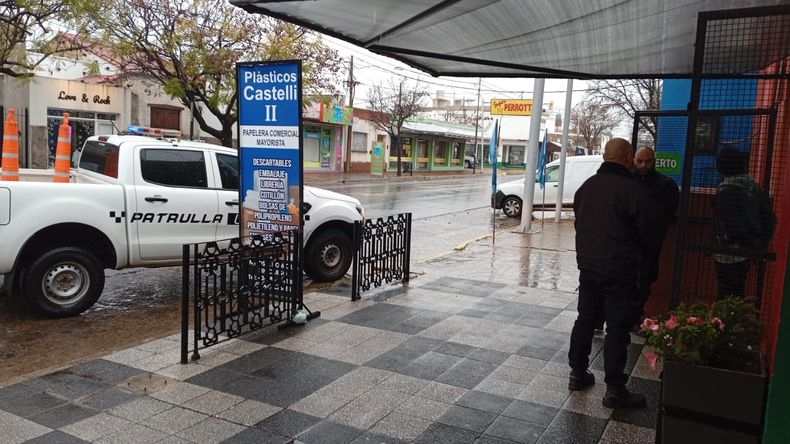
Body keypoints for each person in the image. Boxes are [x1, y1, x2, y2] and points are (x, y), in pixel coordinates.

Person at [568, 138, 660, 408]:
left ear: (605, 157)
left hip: (588, 267)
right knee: (617, 328)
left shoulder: (586, 187)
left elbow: (579, 224)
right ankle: (615, 389)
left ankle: (577, 373)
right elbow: (650, 234)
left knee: (585, 319)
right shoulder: (634, 192)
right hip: (620, 270)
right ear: (628, 157)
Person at [711, 148, 775, 299]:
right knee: (737, 292)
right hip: (747, 252)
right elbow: (770, 219)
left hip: (728, 252)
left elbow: (728, 225)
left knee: (727, 294)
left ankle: (726, 322)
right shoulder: (753, 188)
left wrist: (728, 240)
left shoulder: (726, 191)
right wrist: (758, 244)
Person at [632, 147, 680, 308]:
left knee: (645, 279)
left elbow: (666, 213)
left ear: (654, 161)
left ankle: (634, 316)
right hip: (635, 243)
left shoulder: (665, 185)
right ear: (633, 160)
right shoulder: (665, 184)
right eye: (640, 161)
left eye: (648, 161)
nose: (644, 165)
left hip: (648, 244)